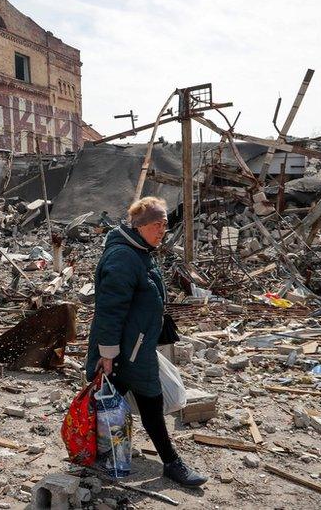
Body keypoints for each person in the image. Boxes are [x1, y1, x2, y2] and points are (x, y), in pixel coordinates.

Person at [85, 197, 207, 486]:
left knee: (110, 402)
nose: (162, 229)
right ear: (139, 226)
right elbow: (110, 310)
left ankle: (101, 454)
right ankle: (171, 462)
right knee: (148, 401)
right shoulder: (123, 257)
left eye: (165, 224)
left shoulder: (140, 252)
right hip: (125, 351)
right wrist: (108, 354)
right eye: (157, 224)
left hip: (135, 346)